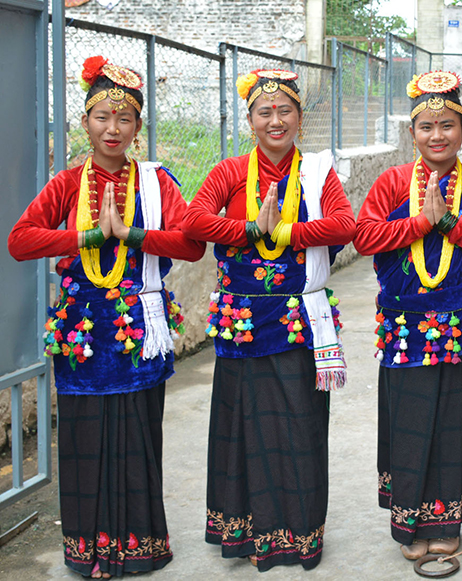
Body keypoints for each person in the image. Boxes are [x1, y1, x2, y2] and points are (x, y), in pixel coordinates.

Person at [7, 56, 205, 578]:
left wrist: (132, 236)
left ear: (138, 128)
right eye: (101, 117)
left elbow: (191, 245)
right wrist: (87, 237)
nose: (112, 129)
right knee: (85, 440)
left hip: (140, 331)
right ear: (84, 123)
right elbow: (21, 241)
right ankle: (89, 549)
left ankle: (140, 547)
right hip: (84, 335)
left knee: (140, 436)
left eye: (124, 119)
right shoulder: (67, 185)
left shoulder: (157, 184)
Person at [181, 68, 355, 571]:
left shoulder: (318, 174)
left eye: (285, 111)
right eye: (264, 112)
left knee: (300, 425)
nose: (275, 121)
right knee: (245, 427)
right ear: (251, 120)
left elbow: (345, 225)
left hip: (301, 320)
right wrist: (247, 228)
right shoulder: (229, 172)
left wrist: (283, 230)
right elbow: (194, 222)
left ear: (301, 117)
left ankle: (301, 534)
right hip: (245, 324)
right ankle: (248, 534)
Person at [354, 71, 462, 560]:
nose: (437, 135)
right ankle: (411, 522)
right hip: (406, 328)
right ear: (412, 133)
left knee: (457, 422)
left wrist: (449, 222)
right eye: (426, 126)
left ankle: (450, 523)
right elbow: (364, 238)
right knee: (411, 420)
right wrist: (420, 221)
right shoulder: (391, 183)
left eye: (447, 125)